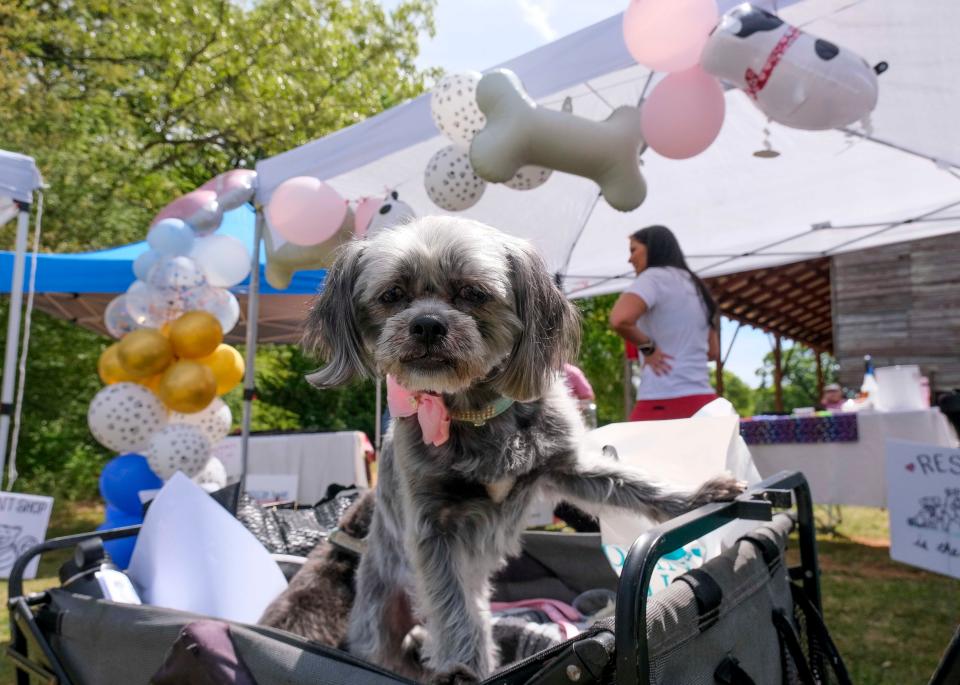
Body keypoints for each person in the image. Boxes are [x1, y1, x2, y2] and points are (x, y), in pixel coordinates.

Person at [609, 225, 720, 421]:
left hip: (662, 401)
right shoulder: (697, 285)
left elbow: (620, 319)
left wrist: (648, 348)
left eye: (633, 250)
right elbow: (712, 352)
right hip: (705, 404)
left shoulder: (652, 278)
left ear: (652, 248)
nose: (630, 259)